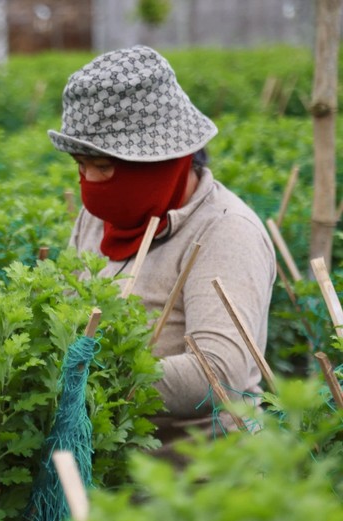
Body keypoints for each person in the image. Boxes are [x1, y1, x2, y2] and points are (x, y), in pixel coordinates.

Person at [48, 45, 276, 460]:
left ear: (160, 160)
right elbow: (64, 314)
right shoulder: (98, 217)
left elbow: (216, 373)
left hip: (192, 480)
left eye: (103, 166)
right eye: (80, 165)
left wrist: (88, 375)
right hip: (98, 459)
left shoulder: (225, 231)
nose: (89, 182)